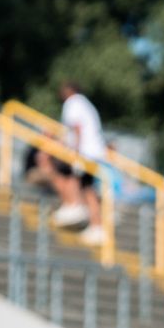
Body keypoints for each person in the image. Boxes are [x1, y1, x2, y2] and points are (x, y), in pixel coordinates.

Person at [52, 78, 106, 236]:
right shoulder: (85, 103)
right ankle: (97, 226)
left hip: (84, 150)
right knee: (87, 187)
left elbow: (77, 128)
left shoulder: (73, 103)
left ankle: (73, 205)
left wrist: (75, 151)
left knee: (64, 172)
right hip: (93, 151)